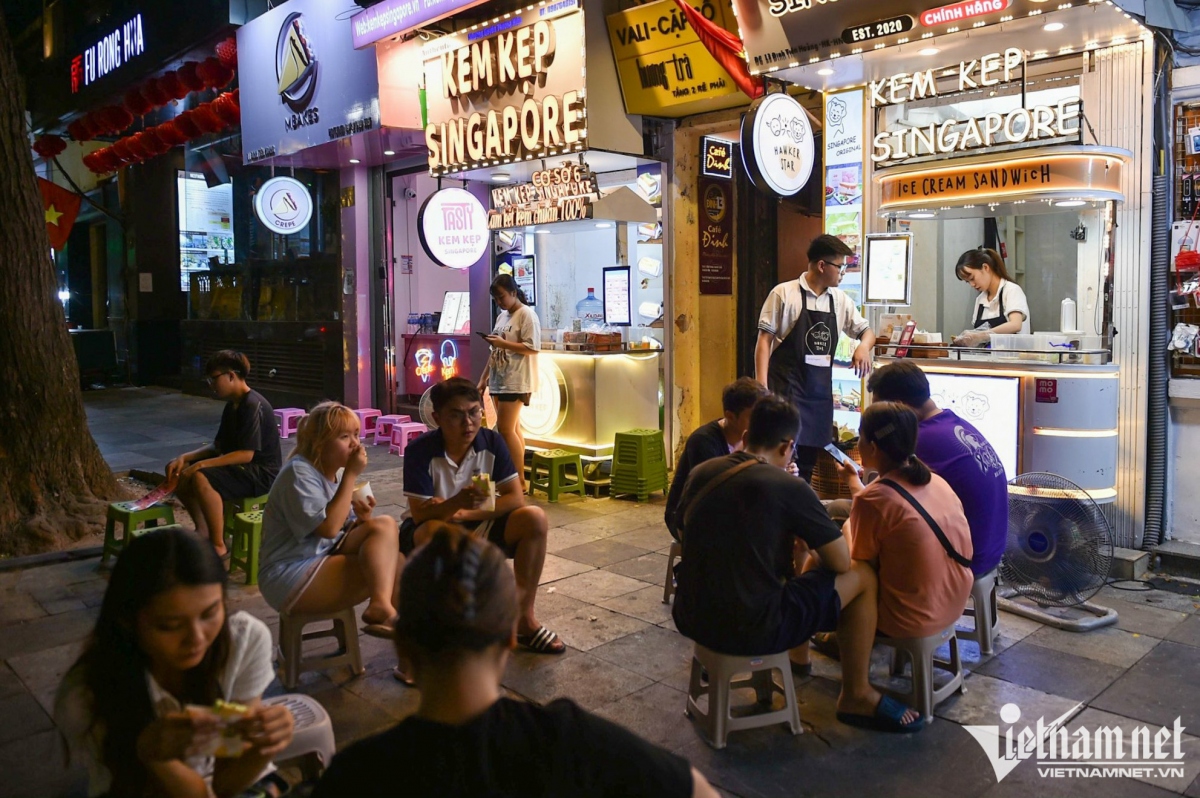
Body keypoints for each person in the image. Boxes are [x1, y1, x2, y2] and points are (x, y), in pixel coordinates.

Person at [310, 524, 720, 798]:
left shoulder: (358, 774)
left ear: (403, 644)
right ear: (510, 636)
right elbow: (700, 792)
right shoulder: (568, 743)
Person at [672, 396, 924, 733]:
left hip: (692, 615)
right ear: (789, 445)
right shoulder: (790, 487)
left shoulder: (703, 471)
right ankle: (857, 693)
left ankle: (800, 658)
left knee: (791, 574)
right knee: (862, 576)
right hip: (753, 627)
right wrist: (807, 546)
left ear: (746, 435)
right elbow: (839, 562)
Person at [55, 527, 294, 798]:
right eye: (170, 625)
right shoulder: (86, 696)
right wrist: (155, 757)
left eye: (210, 613)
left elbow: (225, 782)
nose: (197, 638)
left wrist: (266, 747)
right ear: (127, 621)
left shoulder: (244, 642)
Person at [401, 378, 563, 655]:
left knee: (534, 517)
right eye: (456, 415)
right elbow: (420, 515)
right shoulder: (419, 451)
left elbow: (514, 497)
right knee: (434, 533)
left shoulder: (492, 442)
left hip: (479, 521)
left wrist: (463, 509)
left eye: (474, 412)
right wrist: (454, 504)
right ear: (437, 417)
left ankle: (525, 619)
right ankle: (444, 626)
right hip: (432, 528)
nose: (468, 423)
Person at [258, 402, 402, 637]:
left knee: (386, 528)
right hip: (288, 573)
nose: (355, 443)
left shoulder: (338, 471)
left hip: (321, 556)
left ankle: (384, 611)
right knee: (396, 566)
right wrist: (352, 475)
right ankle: (395, 627)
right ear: (319, 443)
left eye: (356, 434)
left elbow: (341, 530)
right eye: (344, 436)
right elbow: (328, 529)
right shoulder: (300, 473)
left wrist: (363, 519)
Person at [842, 402, 975, 640]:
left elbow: (860, 563)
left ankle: (843, 649)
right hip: (954, 605)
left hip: (908, 618)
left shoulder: (872, 500)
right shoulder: (936, 481)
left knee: (845, 568)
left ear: (872, 447)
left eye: (859, 437)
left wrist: (847, 528)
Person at [866, 361, 1007, 576]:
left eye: (881, 411)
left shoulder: (920, 439)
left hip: (963, 560)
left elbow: (881, 499)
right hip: (991, 551)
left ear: (899, 406)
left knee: (862, 548)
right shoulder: (955, 423)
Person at [755, 235, 876, 483]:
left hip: (818, 396)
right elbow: (763, 342)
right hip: (785, 391)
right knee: (781, 463)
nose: (843, 272)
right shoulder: (784, 293)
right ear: (822, 266)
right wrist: (762, 388)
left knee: (807, 468)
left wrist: (863, 347)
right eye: (840, 266)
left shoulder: (839, 300)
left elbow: (867, 332)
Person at [167, 350, 282, 559]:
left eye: (214, 379)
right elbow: (218, 446)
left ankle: (218, 545)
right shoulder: (232, 406)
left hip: (261, 473)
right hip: (242, 468)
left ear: (231, 375)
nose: (212, 385)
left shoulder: (252, 405)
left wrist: (201, 466)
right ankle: (203, 530)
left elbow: (246, 455)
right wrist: (185, 458)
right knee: (178, 470)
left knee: (200, 476)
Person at [664, 377, 768, 540]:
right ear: (730, 416)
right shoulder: (703, 442)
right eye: (754, 417)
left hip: (729, 512)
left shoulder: (755, 437)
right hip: (689, 518)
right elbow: (716, 496)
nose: (761, 423)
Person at [477, 273, 541, 491]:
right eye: (496, 299)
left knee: (505, 430)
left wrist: (504, 344)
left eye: (502, 297)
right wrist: (483, 378)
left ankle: (518, 481)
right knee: (512, 429)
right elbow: (495, 349)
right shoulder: (502, 316)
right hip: (499, 378)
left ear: (514, 293)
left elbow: (533, 348)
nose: (499, 302)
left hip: (517, 379)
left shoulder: (527, 315)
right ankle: (519, 480)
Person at [952, 247, 1031, 348]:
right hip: (988, 360)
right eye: (968, 281)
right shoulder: (980, 300)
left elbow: (1015, 325)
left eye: (972, 278)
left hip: (1013, 359)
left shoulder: (1011, 290)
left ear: (985, 267)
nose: (972, 284)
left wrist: (982, 335)